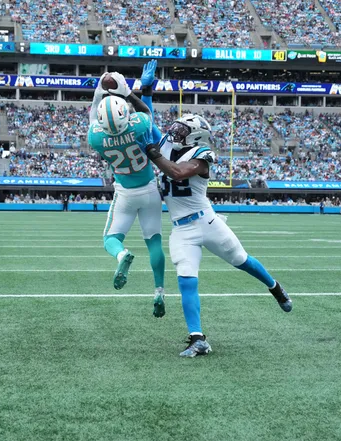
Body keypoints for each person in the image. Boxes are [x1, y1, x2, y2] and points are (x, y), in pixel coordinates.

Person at [142, 114, 292, 357]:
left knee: (241, 260)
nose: (175, 132)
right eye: (177, 127)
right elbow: (147, 118)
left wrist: (153, 154)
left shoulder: (202, 156)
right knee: (186, 280)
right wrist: (134, 94)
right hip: (181, 229)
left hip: (206, 221)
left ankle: (274, 286)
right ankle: (197, 338)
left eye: (183, 129)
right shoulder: (167, 146)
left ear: (196, 135)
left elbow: (178, 173)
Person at [86, 66, 166, 317]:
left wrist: (100, 89)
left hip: (125, 193)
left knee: (110, 239)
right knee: (154, 243)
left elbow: (92, 116)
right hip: (150, 190)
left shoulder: (96, 138)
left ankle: (122, 254)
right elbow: (146, 112)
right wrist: (129, 92)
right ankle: (159, 292)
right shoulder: (139, 125)